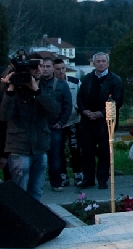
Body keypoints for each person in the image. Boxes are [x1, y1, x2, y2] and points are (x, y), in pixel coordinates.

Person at [0, 56, 61, 200]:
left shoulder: (45, 87)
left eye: (41, 66)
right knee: (20, 192)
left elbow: (55, 110)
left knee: (36, 191)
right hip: (19, 147)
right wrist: (11, 90)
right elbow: (4, 116)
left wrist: (37, 91)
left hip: (40, 145)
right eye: (35, 67)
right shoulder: (12, 89)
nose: (40, 70)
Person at [76, 52, 124, 189]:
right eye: (98, 61)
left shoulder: (115, 80)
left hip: (105, 122)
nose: (101, 63)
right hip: (87, 121)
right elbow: (80, 97)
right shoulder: (87, 78)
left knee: (104, 151)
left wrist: (101, 114)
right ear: (94, 63)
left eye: (103, 61)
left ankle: (102, 179)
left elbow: (117, 101)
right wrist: (84, 110)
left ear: (108, 63)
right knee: (86, 151)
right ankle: (88, 178)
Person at [38, 57, 72, 190]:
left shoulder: (62, 85)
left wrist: (62, 122)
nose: (45, 69)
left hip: (54, 126)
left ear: (53, 68)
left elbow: (68, 105)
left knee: (55, 155)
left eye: (48, 66)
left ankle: (56, 182)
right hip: (38, 126)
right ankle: (39, 182)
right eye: (43, 66)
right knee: (39, 157)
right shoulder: (34, 83)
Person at [53, 58, 82, 187]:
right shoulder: (51, 84)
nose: (60, 71)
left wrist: (78, 109)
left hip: (73, 121)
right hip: (58, 123)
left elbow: (81, 98)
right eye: (57, 69)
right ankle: (62, 175)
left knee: (74, 148)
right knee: (58, 150)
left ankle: (78, 173)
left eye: (63, 68)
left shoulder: (75, 82)